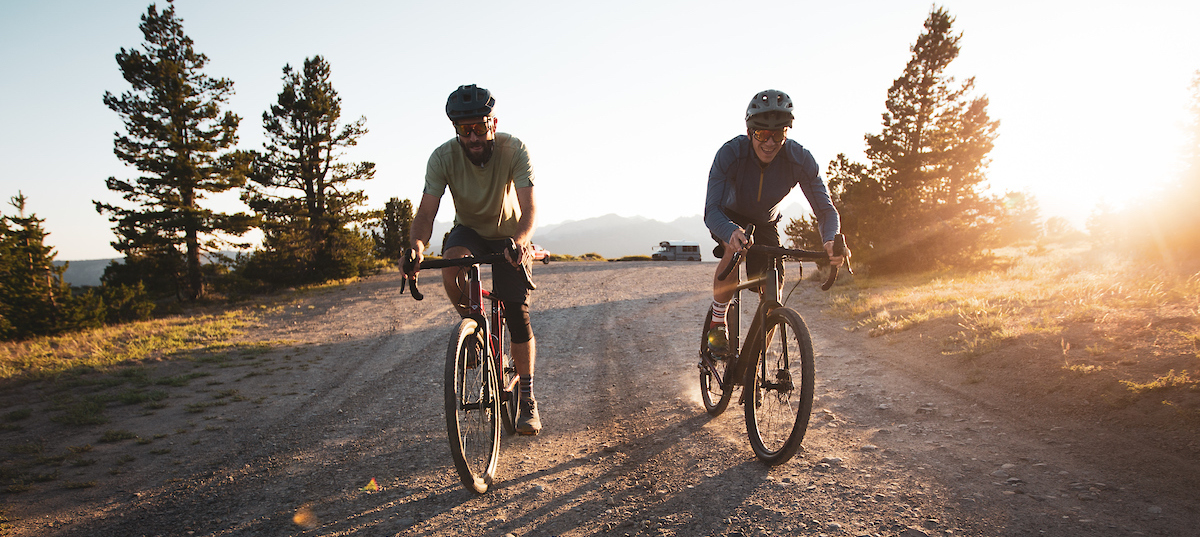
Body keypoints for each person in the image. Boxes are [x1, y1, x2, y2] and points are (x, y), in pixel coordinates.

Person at [406, 84, 542, 435]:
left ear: (492, 123)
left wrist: (521, 241)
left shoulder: (514, 149)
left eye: (479, 127)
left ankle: (526, 398)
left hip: (510, 234)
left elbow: (529, 210)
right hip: (468, 229)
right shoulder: (442, 158)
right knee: (452, 260)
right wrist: (417, 246)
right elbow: (425, 213)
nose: (473, 136)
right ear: (456, 130)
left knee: (516, 313)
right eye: (465, 130)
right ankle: (473, 330)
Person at [703, 89, 846, 352]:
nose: (769, 143)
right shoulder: (730, 153)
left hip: (766, 223)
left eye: (777, 134)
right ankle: (718, 322)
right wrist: (730, 231)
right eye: (762, 134)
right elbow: (711, 210)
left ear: (786, 133)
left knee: (772, 292)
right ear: (749, 132)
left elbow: (826, 211)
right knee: (733, 250)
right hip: (728, 217)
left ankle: (754, 365)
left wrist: (830, 240)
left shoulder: (799, 159)